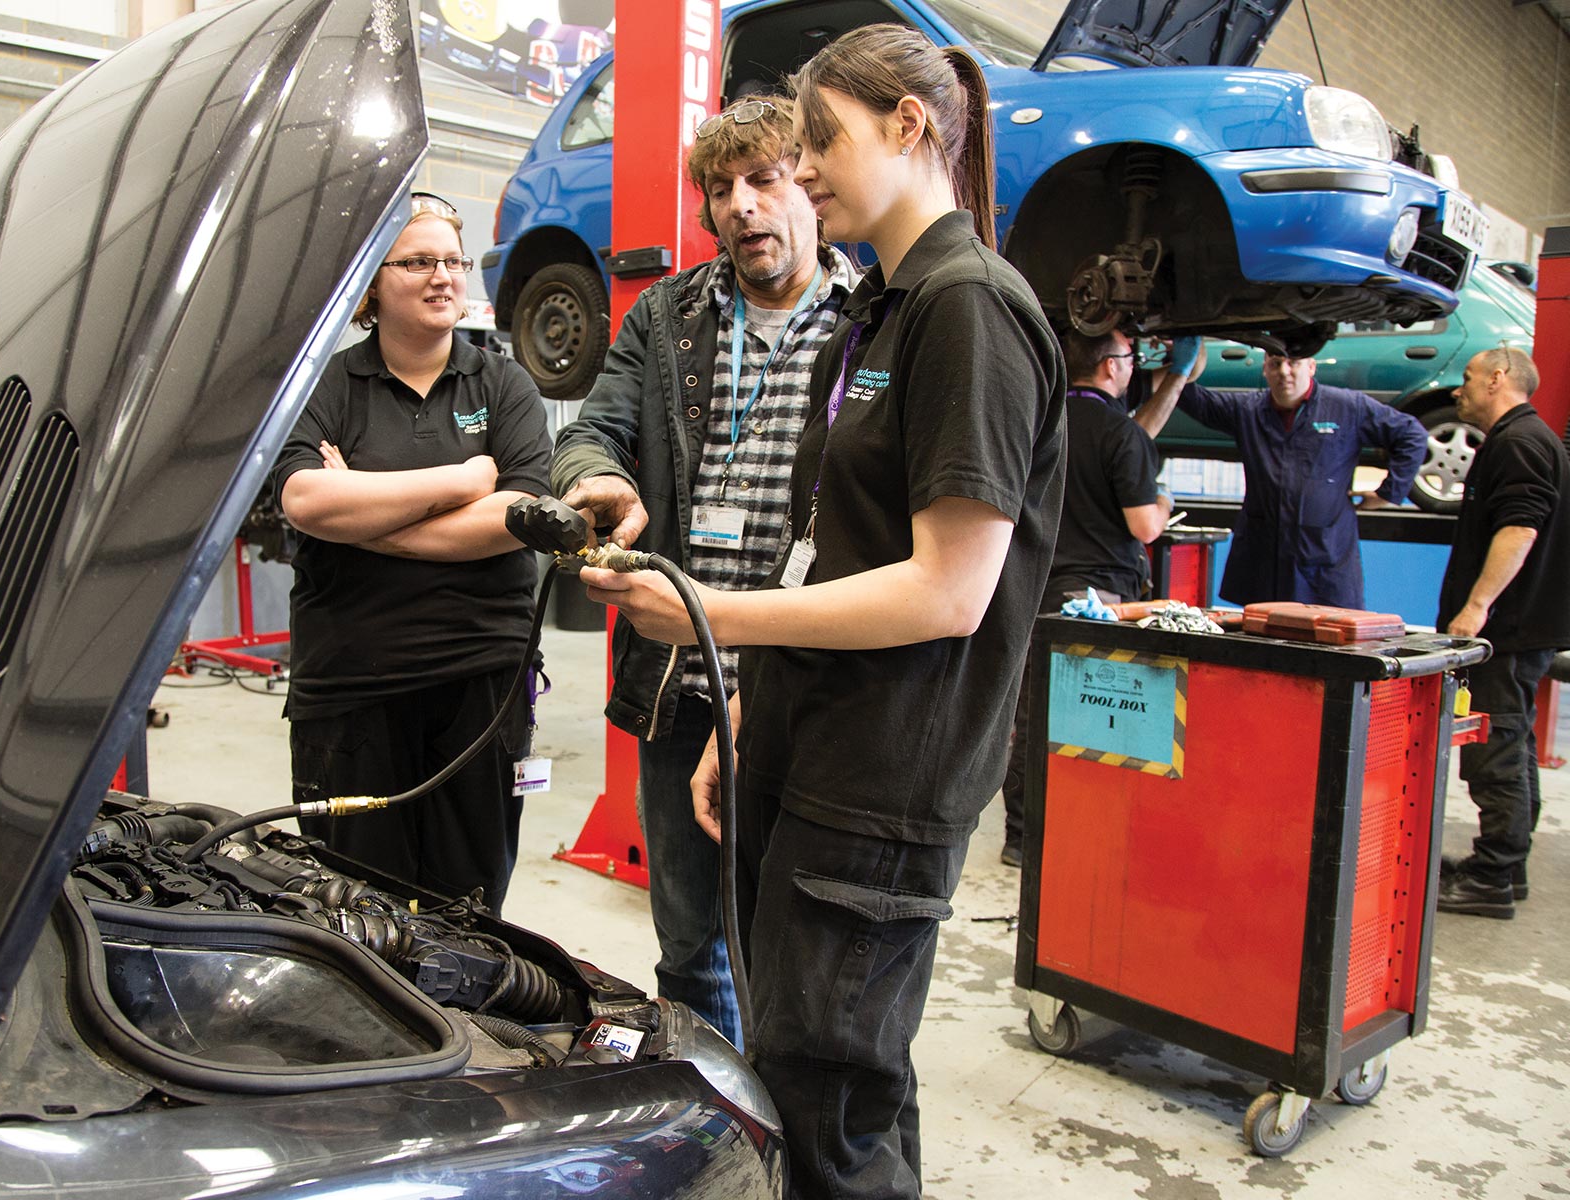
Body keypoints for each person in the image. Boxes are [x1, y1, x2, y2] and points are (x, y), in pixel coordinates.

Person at [582, 26, 1064, 1199]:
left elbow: (950, 592)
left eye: (821, 146)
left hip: (884, 782)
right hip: (814, 748)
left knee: (826, 1101)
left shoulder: (969, 310)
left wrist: (712, 616)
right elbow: (829, 547)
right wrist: (756, 704)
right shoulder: (890, 311)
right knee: (816, 1080)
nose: (798, 179)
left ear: (911, 127)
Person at [553, 96, 857, 1049]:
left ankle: (789, 1123)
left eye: (764, 180)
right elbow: (595, 427)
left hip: (808, 690)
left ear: (806, 184)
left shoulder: (874, 324)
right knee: (691, 944)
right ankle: (714, 1122)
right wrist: (599, 479)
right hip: (678, 689)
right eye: (720, 190)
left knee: (800, 950)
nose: (741, 207)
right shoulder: (669, 313)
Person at [273, 193, 553, 912]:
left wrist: (361, 510)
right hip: (350, 688)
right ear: (372, 283)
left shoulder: (504, 383)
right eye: (420, 262)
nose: (445, 277)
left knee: (471, 904)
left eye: (454, 262)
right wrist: (462, 479)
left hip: (480, 684)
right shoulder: (327, 384)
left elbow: (517, 518)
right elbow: (304, 501)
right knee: (353, 905)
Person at [997, 330, 1200, 867]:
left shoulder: (1043, 419)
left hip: (1037, 592)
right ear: (1112, 367)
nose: (1134, 365)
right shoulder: (1121, 434)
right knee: (1105, 722)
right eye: (1131, 357)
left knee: (1032, 717)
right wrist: (1163, 496)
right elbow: (1146, 526)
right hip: (1101, 603)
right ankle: (1092, 831)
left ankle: (1021, 836)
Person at [1433, 347, 1569, 919]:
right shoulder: (1529, 438)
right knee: (1510, 746)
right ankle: (1504, 867)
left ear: (1498, 378)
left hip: (1506, 631)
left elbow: (1520, 528)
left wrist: (1477, 608)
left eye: (1466, 378)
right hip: (1521, 630)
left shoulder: (1518, 443)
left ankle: (1493, 875)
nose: (1456, 391)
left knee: (1496, 752)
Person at [1168, 351, 1426, 608]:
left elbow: (1412, 434)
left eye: (1294, 363)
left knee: (1325, 642)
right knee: (1261, 640)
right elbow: (1195, 399)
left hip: (1324, 561)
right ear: (1264, 370)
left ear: (1311, 367)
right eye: (1276, 364)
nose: (1284, 371)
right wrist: (1178, 354)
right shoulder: (1247, 411)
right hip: (1265, 563)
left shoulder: (1348, 408)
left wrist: (1389, 493)